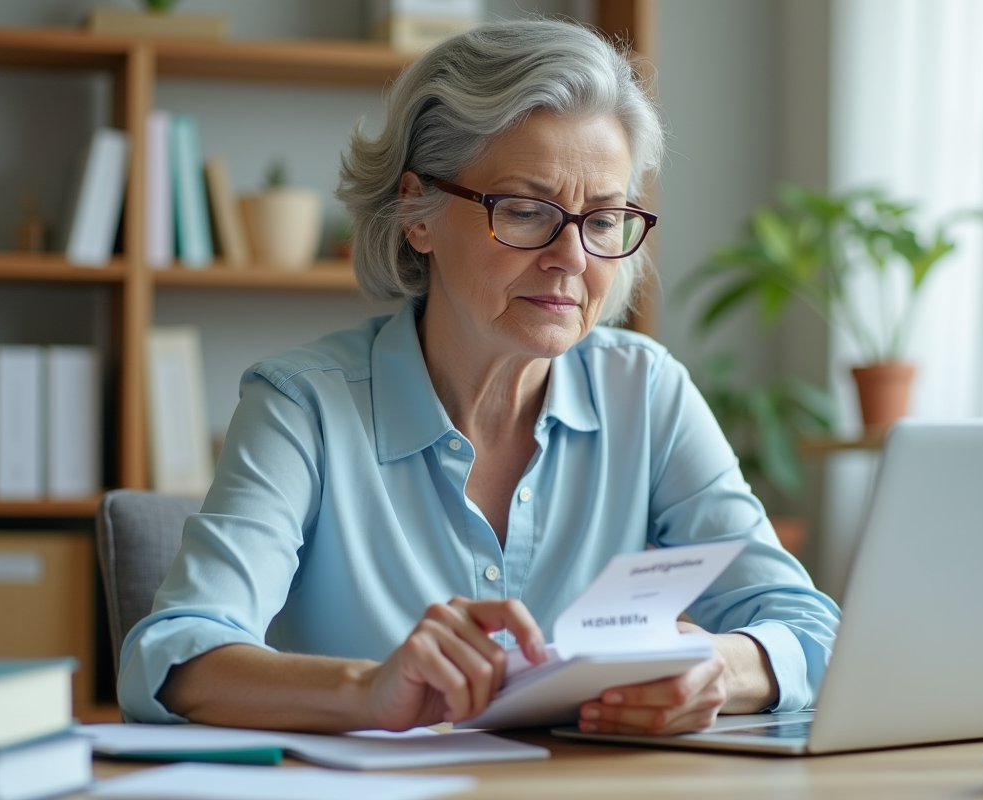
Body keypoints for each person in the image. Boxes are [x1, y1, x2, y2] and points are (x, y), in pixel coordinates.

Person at [119, 18, 840, 736]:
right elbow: (176, 656)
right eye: (526, 211)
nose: (572, 257)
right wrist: (367, 689)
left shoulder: (645, 391)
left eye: (606, 219)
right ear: (417, 212)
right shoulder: (304, 405)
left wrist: (721, 669)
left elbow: (809, 627)